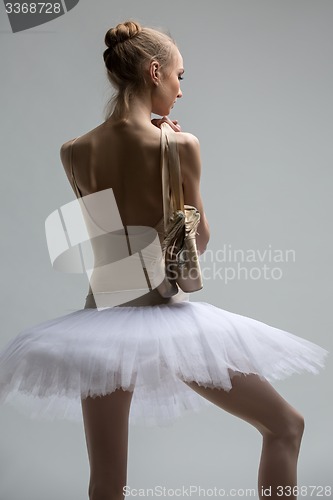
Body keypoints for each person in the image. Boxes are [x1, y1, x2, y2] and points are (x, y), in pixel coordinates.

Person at [0, 20, 328, 500]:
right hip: (164, 316)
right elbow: (197, 243)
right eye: (179, 76)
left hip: (102, 320)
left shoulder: (73, 152)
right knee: (286, 427)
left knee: (107, 483)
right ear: (155, 72)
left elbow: (110, 248)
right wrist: (173, 161)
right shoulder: (180, 145)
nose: (180, 89)